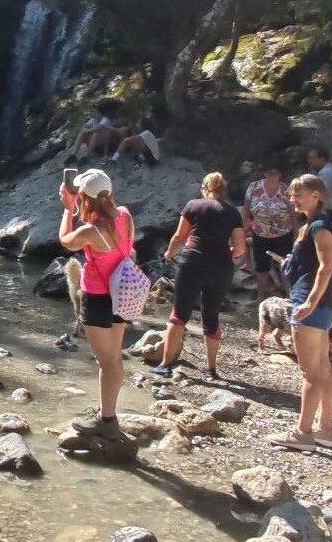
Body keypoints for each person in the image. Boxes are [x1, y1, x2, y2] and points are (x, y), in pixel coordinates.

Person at [58, 168, 135, 439]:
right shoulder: (125, 215)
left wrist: (68, 209)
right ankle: (107, 413)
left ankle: (107, 420)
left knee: (105, 362)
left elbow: (65, 241)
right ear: (110, 192)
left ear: (84, 197)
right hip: (123, 293)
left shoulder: (91, 231)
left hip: (98, 298)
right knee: (114, 358)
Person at [267, 174, 332, 451]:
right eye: (292, 194)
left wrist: (309, 301)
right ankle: (325, 430)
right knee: (322, 367)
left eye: (298, 194)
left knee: (309, 372)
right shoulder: (311, 225)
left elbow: (327, 267)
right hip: (318, 303)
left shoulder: (319, 226)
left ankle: (303, 433)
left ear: (315, 196)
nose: (292, 199)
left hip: (310, 303)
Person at [151, 172, 246, 380]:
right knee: (211, 317)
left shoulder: (193, 205)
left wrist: (169, 253)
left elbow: (179, 236)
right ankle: (211, 369)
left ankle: (166, 365)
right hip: (221, 268)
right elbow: (240, 248)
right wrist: (227, 254)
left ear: (205, 188)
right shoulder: (232, 213)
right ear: (224, 190)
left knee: (179, 314)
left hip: (192, 263)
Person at [242, 164, 295, 300]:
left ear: (280, 174)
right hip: (260, 233)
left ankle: (290, 296)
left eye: (276, 172)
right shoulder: (254, 187)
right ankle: (261, 297)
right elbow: (246, 210)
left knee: (284, 264)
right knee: (261, 267)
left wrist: (293, 230)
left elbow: (294, 214)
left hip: (282, 234)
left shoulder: (286, 190)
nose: (273, 175)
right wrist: (245, 227)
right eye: (270, 172)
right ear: (265, 173)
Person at [307, 146, 332, 220]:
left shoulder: (326, 172)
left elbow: (318, 194)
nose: (309, 160)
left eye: (313, 158)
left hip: (331, 210)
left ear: (322, 159)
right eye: (309, 157)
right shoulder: (329, 168)